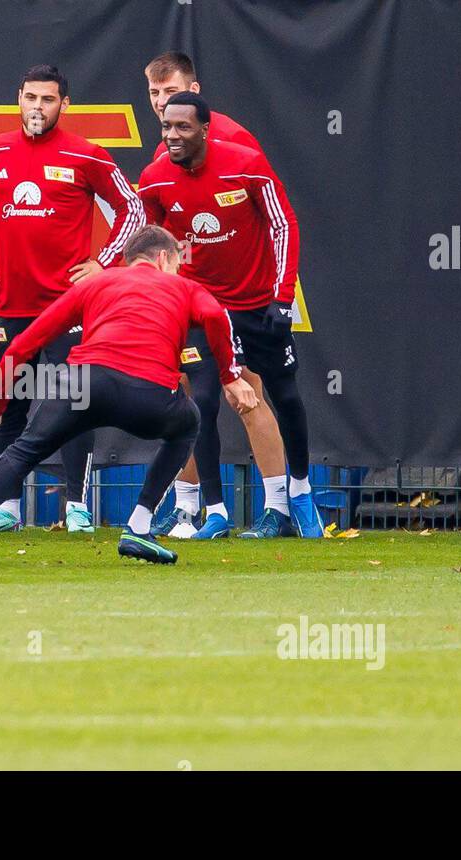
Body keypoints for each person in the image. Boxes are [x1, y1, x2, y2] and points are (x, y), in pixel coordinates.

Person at [0, 225, 255, 566]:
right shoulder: (184, 286)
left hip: (84, 385)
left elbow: (27, 341)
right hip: (147, 394)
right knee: (189, 421)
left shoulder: (96, 283)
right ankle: (138, 526)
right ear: (163, 259)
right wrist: (230, 376)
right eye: (175, 264)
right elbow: (217, 316)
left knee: (21, 452)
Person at [0, 63, 145, 533]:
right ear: (18, 97)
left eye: (48, 99)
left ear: (65, 104)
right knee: (10, 401)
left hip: (70, 309)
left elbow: (133, 207)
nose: (38, 107)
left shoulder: (89, 156)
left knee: (74, 403)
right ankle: (7, 506)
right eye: (31, 97)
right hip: (9, 305)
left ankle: (77, 505)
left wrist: (102, 263)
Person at [138, 92, 324, 540]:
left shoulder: (246, 162)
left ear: (205, 129)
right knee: (199, 401)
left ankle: (294, 496)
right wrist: (164, 294)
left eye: (183, 127)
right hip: (202, 306)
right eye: (166, 127)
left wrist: (281, 297)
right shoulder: (154, 177)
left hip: (259, 302)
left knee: (283, 396)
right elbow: (151, 243)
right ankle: (215, 511)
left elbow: (283, 225)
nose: (172, 136)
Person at [142, 51, 272, 536]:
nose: (160, 102)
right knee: (193, 397)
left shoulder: (237, 143)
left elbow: (269, 216)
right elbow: (156, 234)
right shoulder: (162, 157)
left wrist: (271, 291)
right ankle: (193, 506)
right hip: (196, 299)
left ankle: (283, 504)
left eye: (170, 90)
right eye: (153, 94)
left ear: (195, 91)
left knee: (253, 394)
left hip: (251, 295)